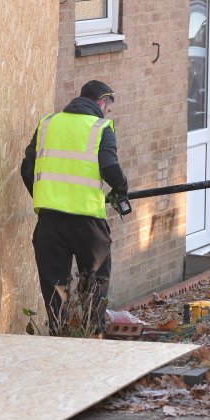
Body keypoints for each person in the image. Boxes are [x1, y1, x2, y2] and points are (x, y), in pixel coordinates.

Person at [20, 80, 128, 335]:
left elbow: (27, 168)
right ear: (102, 102)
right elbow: (110, 168)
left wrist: (44, 197)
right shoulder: (101, 128)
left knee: (55, 286)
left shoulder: (48, 123)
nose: (108, 114)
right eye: (108, 109)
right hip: (87, 223)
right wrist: (121, 190)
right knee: (95, 283)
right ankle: (92, 337)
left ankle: (60, 339)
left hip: (49, 223)